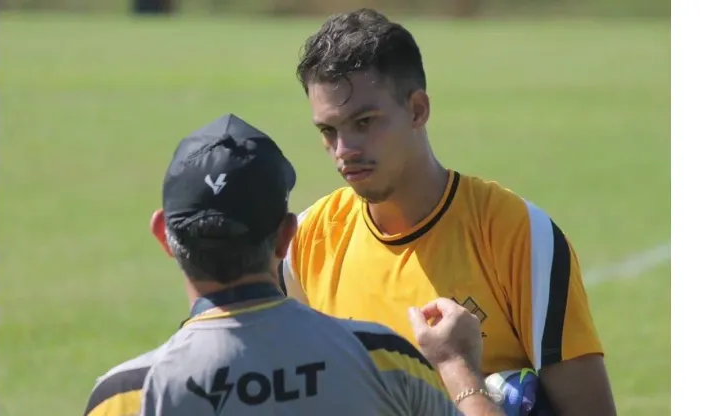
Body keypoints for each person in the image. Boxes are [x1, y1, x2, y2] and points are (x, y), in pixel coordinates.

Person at [280, 8, 617, 416]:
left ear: (418, 110)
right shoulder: (308, 241)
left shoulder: (518, 234)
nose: (343, 151)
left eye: (365, 122)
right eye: (328, 131)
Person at [82, 113, 504, 416]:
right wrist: (457, 368)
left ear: (164, 236)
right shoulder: (385, 358)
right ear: (287, 235)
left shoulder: (125, 395)